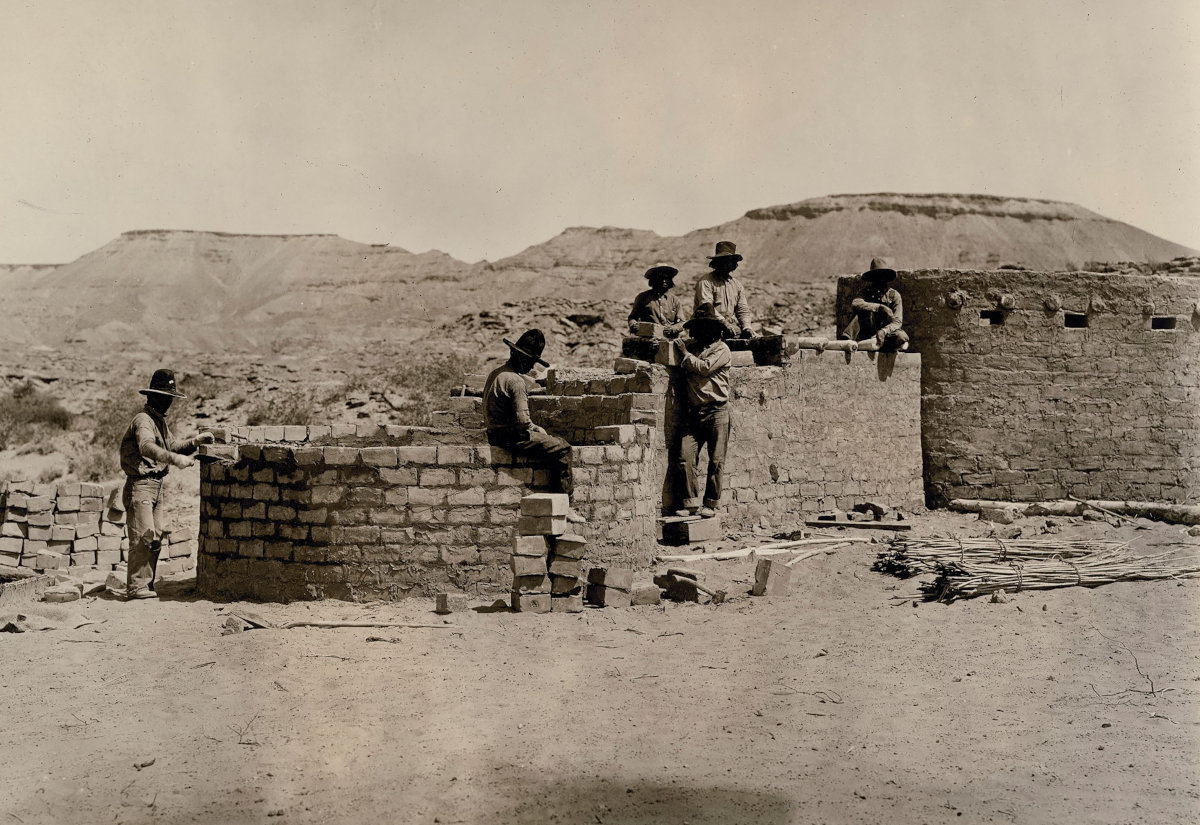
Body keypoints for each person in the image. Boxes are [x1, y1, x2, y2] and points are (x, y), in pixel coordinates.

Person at [118, 369, 211, 600]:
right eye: (165, 397)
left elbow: (173, 445)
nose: (168, 402)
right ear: (153, 396)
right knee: (143, 537)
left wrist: (194, 442)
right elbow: (147, 447)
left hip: (156, 486)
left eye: (170, 398)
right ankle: (136, 587)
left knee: (154, 538)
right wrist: (175, 460)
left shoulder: (158, 421)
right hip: (140, 486)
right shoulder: (143, 420)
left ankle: (146, 585)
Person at [483, 329, 584, 523]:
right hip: (511, 438)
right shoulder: (515, 381)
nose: (530, 366)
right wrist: (533, 429)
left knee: (547, 437)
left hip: (494, 434)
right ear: (521, 357)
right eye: (529, 361)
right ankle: (565, 505)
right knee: (562, 448)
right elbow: (522, 423)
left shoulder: (496, 374)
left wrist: (536, 428)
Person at [672, 305, 733, 518]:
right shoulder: (693, 347)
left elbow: (704, 367)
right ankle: (689, 503)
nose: (701, 331)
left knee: (716, 461)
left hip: (717, 411)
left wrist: (684, 354)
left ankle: (711, 503)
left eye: (706, 327)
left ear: (715, 330)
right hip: (693, 412)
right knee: (685, 456)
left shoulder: (721, 349)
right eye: (699, 327)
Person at [843, 257, 910, 352]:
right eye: (876, 277)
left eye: (882, 276)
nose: (879, 280)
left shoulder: (894, 295)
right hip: (867, 332)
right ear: (872, 278)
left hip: (885, 333)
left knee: (902, 337)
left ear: (886, 278)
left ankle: (880, 346)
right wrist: (879, 307)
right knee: (862, 313)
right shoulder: (866, 292)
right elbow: (856, 303)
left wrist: (883, 331)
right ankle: (847, 341)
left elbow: (897, 322)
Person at [694, 240, 755, 340]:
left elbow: (742, 310)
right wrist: (725, 323)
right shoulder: (705, 281)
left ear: (734, 264)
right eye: (723, 261)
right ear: (716, 263)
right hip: (707, 327)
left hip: (729, 328)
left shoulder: (737, 285)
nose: (727, 265)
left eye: (730, 261)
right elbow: (707, 307)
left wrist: (747, 327)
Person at [628, 263, 685, 337]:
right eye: (661, 278)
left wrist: (672, 329)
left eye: (667, 278)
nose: (664, 281)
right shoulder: (643, 297)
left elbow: (682, 322)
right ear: (653, 279)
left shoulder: (675, 300)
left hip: (669, 340)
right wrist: (633, 325)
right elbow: (632, 317)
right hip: (648, 339)